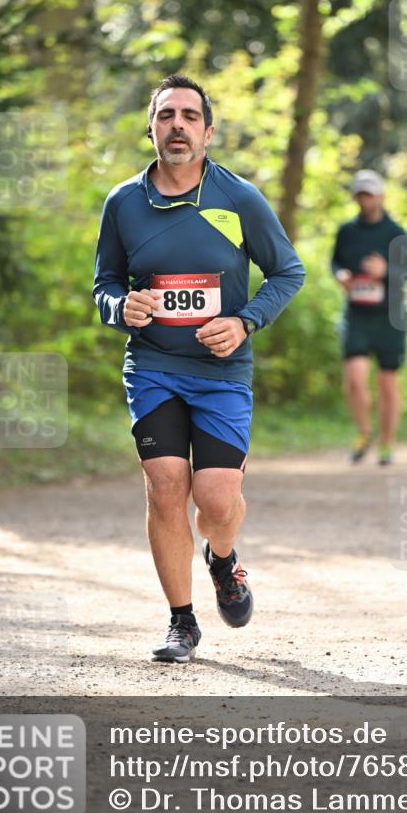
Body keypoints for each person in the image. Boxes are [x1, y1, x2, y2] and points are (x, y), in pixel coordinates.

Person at [93, 74, 305, 663]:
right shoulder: (124, 203)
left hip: (221, 372)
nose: (177, 125)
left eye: (189, 116)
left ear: (208, 133)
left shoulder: (239, 199)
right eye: (166, 115)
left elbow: (288, 272)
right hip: (154, 366)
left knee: (215, 500)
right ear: (152, 128)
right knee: (165, 487)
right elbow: (105, 283)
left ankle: (223, 558)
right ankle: (181, 622)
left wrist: (245, 321)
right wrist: (120, 306)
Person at [332, 169, 407, 466]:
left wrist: (387, 272)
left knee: (387, 385)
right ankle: (364, 433)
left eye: (369, 194)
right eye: (359, 194)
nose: (364, 199)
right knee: (356, 380)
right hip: (357, 315)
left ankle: (386, 443)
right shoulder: (347, 231)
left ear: (381, 196)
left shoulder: (396, 233)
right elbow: (335, 262)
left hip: (390, 318)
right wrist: (340, 274)